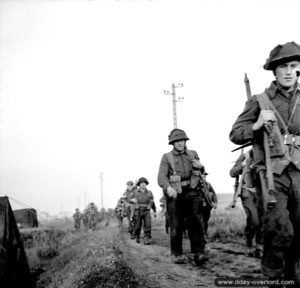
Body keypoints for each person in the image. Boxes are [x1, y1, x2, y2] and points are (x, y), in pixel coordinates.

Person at [230, 42, 300, 285]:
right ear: (274, 71)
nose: (289, 71)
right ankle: (273, 277)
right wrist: (256, 125)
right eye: (283, 66)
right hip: (272, 175)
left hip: (299, 174)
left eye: (293, 66)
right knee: (281, 230)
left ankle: (292, 278)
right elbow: (236, 133)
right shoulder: (260, 101)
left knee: (298, 233)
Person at [157, 128, 207, 265]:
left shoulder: (193, 154)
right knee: (176, 223)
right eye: (176, 141)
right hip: (175, 192)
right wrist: (168, 188)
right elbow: (161, 177)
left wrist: (201, 166)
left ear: (185, 141)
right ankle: (177, 254)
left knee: (196, 221)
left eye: (182, 140)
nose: (180, 143)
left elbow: (202, 172)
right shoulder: (167, 157)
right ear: (172, 143)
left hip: (192, 190)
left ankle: (198, 253)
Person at [230, 150, 263, 255]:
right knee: (255, 219)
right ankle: (249, 242)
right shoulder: (245, 155)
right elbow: (232, 172)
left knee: (260, 220)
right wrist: (243, 165)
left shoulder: (264, 154)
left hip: (261, 194)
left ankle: (259, 246)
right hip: (247, 193)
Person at [131, 177, 156, 245]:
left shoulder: (149, 193)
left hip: (146, 211)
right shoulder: (135, 192)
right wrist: (133, 201)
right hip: (138, 210)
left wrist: (154, 211)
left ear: (146, 184)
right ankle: (137, 236)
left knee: (148, 225)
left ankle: (147, 239)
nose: (143, 184)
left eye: (144, 183)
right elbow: (130, 200)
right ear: (139, 184)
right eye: (141, 183)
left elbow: (152, 202)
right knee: (138, 225)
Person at [202, 170, 218, 235]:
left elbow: (214, 194)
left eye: (205, 175)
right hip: (198, 206)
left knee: (205, 220)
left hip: (207, 206)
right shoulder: (195, 185)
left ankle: (204, 233)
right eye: (203, 175)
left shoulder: (208, 185)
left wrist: (215, 202)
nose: (204, 177)